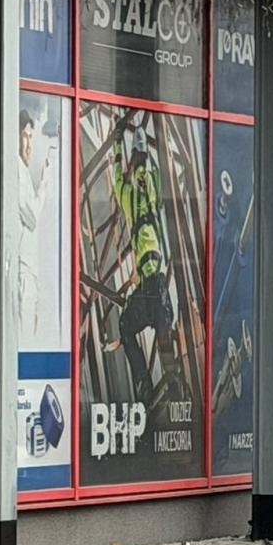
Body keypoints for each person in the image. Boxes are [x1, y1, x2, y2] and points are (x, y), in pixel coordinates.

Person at [103, 112, 179, 408]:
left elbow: (146, 171)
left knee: (157, 332)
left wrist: (127, 143)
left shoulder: (144, 195)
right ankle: (145, 382)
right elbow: (125, 171)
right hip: (152, 285)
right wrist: (123, 141)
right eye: (139, 167)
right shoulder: (137, 195)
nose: (141, 172)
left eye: (142, 166)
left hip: (154, 283)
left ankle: (164, 381)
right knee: (130, 327)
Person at [17, 105, 59, 344]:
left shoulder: (19, 169)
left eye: (32, 137)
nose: (29, 145)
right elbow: (31, 216)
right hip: (23, 271)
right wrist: (44, 183)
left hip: (27, 270)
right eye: (26, 136)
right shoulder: (17, 168)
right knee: (24, 338)